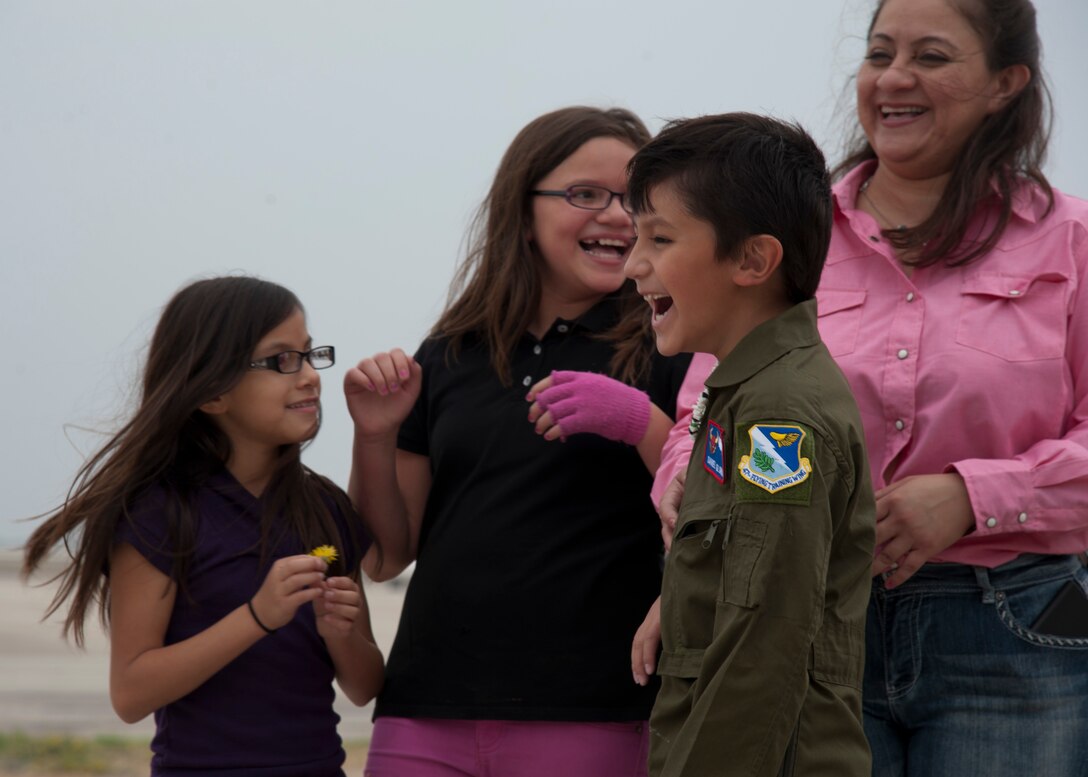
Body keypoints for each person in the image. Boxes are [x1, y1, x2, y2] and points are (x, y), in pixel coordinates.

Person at [649, 1, 1088, 774]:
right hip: (806, 620)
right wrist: (693, 485)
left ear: (1006, 83)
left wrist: (972, 494)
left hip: (1013, 631)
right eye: (880, 52)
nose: (894, 78)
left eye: (931, 56)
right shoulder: (783, 235)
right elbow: (703, 413)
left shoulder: (1073, 242)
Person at [344, 106, 692, 777]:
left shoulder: (671, 342)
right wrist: (373, 437)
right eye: (586, 194)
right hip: (425, 707)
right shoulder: (450, 353)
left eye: (635, 199)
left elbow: (711, 503)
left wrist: (640, 420)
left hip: (597, 711)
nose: (617, 215)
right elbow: (386, 554)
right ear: (521, 212)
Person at [22, 276, 383, 776]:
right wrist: (258, 616)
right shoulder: (160, 513)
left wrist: (339, 633)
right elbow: (130, 693)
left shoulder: (325, 508)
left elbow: (365, 687)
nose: (308, 376)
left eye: (308, 354)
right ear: (213, 393)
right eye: (281, 360)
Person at [624, 112, 875, 777]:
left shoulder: (778, 414)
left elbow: (764, 637)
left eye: (660, 237)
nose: (633, 263)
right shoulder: (743, 391)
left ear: (753, 259)